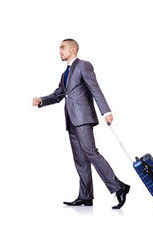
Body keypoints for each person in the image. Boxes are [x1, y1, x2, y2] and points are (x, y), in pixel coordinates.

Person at [32, 39, 130, 209]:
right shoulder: (65, 74)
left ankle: (118, 186)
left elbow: (95, 88)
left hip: (83, 118)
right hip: (71, 120)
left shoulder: (83, 65)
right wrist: (42, 100)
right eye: (59, 48)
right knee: (80, 159)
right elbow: (58, 95)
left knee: (91, 153)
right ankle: (85, 196)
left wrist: (106, 111)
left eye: (62, 48)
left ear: (73, 49)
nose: (59, 51)